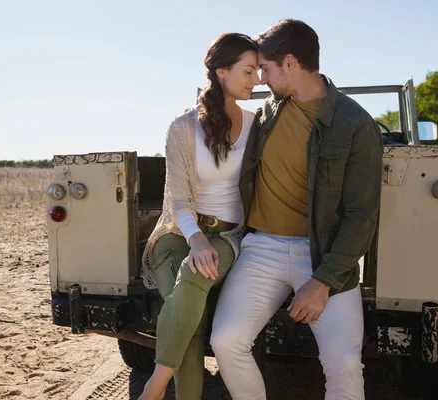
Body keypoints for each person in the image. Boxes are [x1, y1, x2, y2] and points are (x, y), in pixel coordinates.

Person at [210, 19, 383, 400]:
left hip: (323, 255)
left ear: (289, 63)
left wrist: (322, 283)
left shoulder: (356, 124)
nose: (260, 80)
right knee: (226, 341)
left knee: (345, 364)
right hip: (262, 249)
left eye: (266, 70)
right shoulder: (269, 114)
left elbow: (361, 215)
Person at [139, 33, 261, 400]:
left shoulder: (257, 125)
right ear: (222, 71)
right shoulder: (182, 127)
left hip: (230, 235)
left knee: (193, 278)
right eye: (249, 71)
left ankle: (154, 387)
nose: (256, 80)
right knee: (189, 317)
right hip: (180, 232)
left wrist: (207, 244)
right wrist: (195, 238)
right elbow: (178, 197)